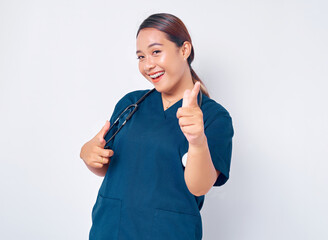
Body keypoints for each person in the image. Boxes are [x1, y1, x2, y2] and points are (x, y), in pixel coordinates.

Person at [80, 13, 234, 240]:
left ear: (184, 50)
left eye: (156, 52)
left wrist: (197, 141)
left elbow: (199, 187)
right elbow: (106, 164)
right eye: (141, 57)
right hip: (111, 229)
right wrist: (88, 154)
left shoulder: (214, 117)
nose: (148, 65)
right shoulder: (131, 104)